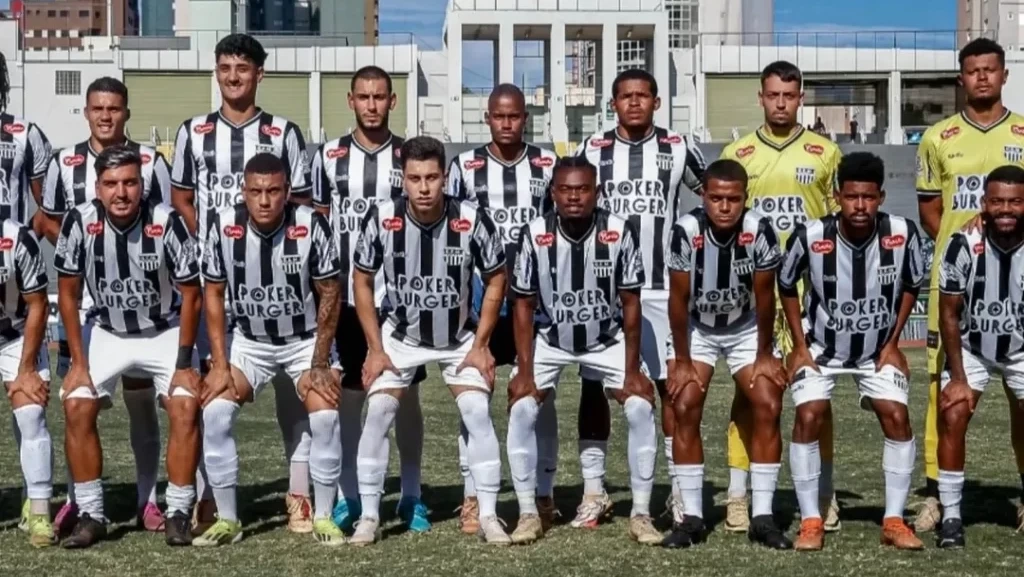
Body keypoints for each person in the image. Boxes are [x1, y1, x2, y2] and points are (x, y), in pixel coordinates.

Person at [170, 32, 316, 534]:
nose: (233, 77)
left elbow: (301, 201)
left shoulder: (284, 132)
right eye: (225, 67)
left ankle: (299, 496)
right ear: (217, 72)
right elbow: (182, 197)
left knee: (293, 398)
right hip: (215, 282)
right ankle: (210, 497)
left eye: (243, 68)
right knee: (214, 389)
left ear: (259, 74)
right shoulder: (192, 131)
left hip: (275, 280)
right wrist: (214, 241)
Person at [349, 136, 509, 546]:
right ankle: (369, 517)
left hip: (458, 337)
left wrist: (481, 344)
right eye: (415, 178)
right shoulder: (382, 217)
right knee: (379, 411)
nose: (424, 187)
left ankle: (488, 515)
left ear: (446, 177)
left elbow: (497, 277)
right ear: (402, 178)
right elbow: (361, 281)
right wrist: (375, 349)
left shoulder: (470, 218)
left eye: (432, 177)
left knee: (476, 411)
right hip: (400, 336)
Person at [52, 145, 203, 549]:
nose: (121, 193)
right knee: (76, 403)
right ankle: (91, 514)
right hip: (107, 331)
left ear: (142, 185)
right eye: (111, 184)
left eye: (130, 183)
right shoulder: (79, 221)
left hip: (163, 329)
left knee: (185, 405)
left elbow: (192, 293)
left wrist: (184, 363)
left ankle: (178, 512)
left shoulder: (167, 220)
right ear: (97, 188)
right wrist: (78, 362)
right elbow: (67, 293)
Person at [573, 68, 705, 528]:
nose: (634, 103)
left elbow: (712, 194)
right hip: (605, 290)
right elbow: (572, 203)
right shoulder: (593, 148)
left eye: (642, 95)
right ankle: (594, 491)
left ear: (656, 101)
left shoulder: (679, 147)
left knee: (671, 388)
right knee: (594, 387)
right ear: (612, 104)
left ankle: (678, 492)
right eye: (625, 96)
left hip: (662, 287)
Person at [39, 76, 171, 536]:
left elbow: (164, 225)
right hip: (86, 307)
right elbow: (48, 220)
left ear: (126, 112)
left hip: (142, 304)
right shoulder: (64, 162)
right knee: (77, 401)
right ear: (86, 112)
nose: (106, 116)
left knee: (141, 402)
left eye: (114, 108)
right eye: (98, 108)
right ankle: (79, 500)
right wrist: (85, 251)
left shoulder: (150, 162)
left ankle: (147, 499)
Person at [506, 155, 660, 545]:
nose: (574, 197)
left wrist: (632, 371)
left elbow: (631, 303)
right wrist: (525, 371)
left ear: (597, 192)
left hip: (606, 338)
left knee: (640, 407)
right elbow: (523, 305)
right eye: (565, 189)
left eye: (582, 189)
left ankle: (641, 513)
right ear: (552, 193)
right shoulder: (534, 233)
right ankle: (529, 512)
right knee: (522, 408)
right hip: (550, 339)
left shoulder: (619, 230)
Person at [195, 153, 344, 547]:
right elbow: (213, 294)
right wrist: (220, 364)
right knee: (215, 413)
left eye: (274, 191)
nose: (264, 200)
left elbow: (331, 292)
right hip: (250, 343)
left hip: (304, 341)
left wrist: (319, 363)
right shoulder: (223, 225)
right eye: (256, 191)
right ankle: (227, 519)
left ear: (287, 191)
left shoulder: (311, 224)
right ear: (243, 191)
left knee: (325, 415)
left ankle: (323, 516)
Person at [719, 60, 844, 532]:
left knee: (817, 398)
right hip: (755, 291)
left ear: (801, 99)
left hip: (811, 293)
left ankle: (824, 493)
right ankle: (738, 494)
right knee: (750, 394)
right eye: (773, 95)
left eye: (789, 96)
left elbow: (837, 222)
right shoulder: (738, 153)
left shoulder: (825, 153)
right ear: (760, 97)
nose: (780, 103)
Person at [779, 152, 924, 551]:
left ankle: (893, 520)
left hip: (876, 350)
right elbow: (786, 284)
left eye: (869, 197)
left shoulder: (902, 232)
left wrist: (893, 343)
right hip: (821, 349)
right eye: (851, 197)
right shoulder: (811, 235)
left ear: (881, 197)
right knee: (808, 415)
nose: (860, 206)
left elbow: (912, 283)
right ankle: (811, 520)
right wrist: (799, 346)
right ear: (837, 196)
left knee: (897, 416)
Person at [310, 65, 428, 534]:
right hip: (345, 296)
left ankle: (412, 494)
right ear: (351, 100)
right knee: (349, 399)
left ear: (392, 101)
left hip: (398, 299)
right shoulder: (329, 156)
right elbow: (320, 223)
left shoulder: (408, 156)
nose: (372, 105)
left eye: (380, 97)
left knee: (406, 399)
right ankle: (350, 496)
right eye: (364, 96)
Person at [915, 37, 1024, 532]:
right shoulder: (938, 137)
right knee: (945, 391)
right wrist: (971, 251)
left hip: (1016, 280)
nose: (982, 77)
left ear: (1004, 75)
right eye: (973, 70)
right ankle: (937, 494)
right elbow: (930, 211)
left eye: (990, 69)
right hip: (956, 282)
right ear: (961, 79)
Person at [446, 82, 559, 536]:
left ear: (525, 119)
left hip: (535, 299)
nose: (507, 123)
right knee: (476, 398)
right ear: (487, 118)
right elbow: (451, 228)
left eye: (514, 116)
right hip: (481, 299)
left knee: (538, 397)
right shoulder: (464, 167)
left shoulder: (547, 164)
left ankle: (544, 492)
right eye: (499, 115)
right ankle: (473, 494)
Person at [661, 159, 790, 550]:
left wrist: (764, 354)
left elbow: (766, 297)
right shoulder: (685, 231)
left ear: (745, 198)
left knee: (768, 401)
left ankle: (762, 516)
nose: (724, 206)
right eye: (716, 198)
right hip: (697, 327)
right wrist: (683, 361)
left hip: (745, 326)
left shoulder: (759, 230)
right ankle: (692, 518)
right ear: (703, 195)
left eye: (733, 199)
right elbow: (678, 300)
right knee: (684, 403)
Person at [935, 165, 1024, 548]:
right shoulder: (963, 243)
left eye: (1015, 202)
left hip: (1021, 349)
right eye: (998, 201)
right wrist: (958, 378)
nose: (1006, 209)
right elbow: (948, 314)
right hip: (971, 348)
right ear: (984, 203)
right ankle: (952, 515)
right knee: (953, 414)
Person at [1, 212, 56, 548]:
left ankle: (38, 511)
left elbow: (38, 304)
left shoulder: (18, 238)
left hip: (17, 334)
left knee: (31, 412)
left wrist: (25, 371)